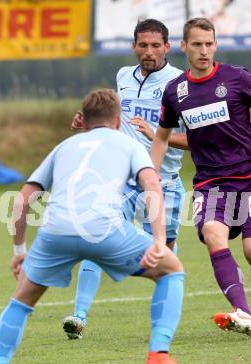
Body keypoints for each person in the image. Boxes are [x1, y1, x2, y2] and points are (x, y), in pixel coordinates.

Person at [0, 89, 200, 364]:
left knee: (20, 302)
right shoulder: (128, 144)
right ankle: (158, 357)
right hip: (103, 230)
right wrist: (160, 241)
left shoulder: (64, 147)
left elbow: (23, 198)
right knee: (171, 271)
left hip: (55, 233)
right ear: (118, 119)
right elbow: (152, 185)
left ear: (83, 120)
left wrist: (19, 251)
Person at [151, 18, 251, 335]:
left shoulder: (237, 78)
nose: (203, 50)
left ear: (215, 45)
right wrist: (149, 176)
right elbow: (161, 137)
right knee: (213, 236)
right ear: (184, 46)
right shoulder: (175, 92)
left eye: (209, 44)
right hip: (211, 185)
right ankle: (244, 313)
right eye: (196, 44)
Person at [63, 19, 188, 340]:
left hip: (165, 183)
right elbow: (116, 124)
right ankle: (78, 316)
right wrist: (90, 123)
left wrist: (159, 135)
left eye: (155, 45)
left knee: (164, 260)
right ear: (134, 46)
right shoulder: (123, 77)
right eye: (142, 45)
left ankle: (162, 334)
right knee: (95, 240)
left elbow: (198, 139)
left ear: (167, 47)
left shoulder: (181, 84)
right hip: (122, 179)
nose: (148, 52)